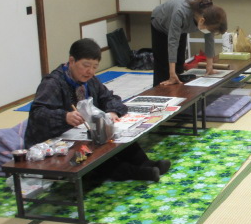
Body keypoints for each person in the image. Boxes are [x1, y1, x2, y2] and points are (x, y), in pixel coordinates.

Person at [25, 38, 170, 182]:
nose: (90, 71)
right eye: (86, 65)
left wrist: (112, 112)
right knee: (91, 155)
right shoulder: (53, 83)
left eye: (95, 67)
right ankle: (138, 173)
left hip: (81, 135)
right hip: (55, 145)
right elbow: (37, 114)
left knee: (117, 136)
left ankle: (146, 164)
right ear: (71, 61)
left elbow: (110, 98)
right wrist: (65, 116)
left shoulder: (90, 80)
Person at [150, 0, 227, 86]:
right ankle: (160, 89)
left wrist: (209, 67)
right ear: (201, 21)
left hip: (181, 27)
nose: (209, 32)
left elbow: (209, 40)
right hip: (160, 23)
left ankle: (178, 87)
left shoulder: (209, 15)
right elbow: (173, 43)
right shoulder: (180, 13)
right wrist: (172, 74)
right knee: (163, 65)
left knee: (180, 62)